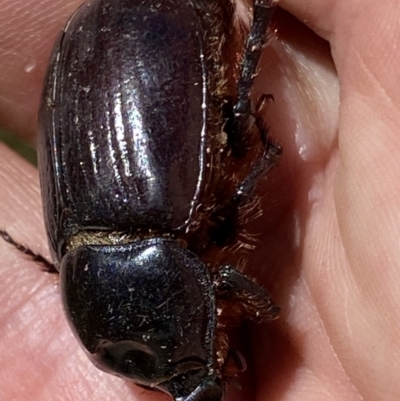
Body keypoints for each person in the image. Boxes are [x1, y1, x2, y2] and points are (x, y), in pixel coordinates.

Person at [0, 0, 398, 400]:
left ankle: (256, 33)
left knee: (237, 143)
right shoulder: (80, 259)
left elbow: (229, 272)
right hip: (115, 47)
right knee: (236, 149)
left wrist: (266, 311)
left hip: (164, 35)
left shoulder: (175, 235)